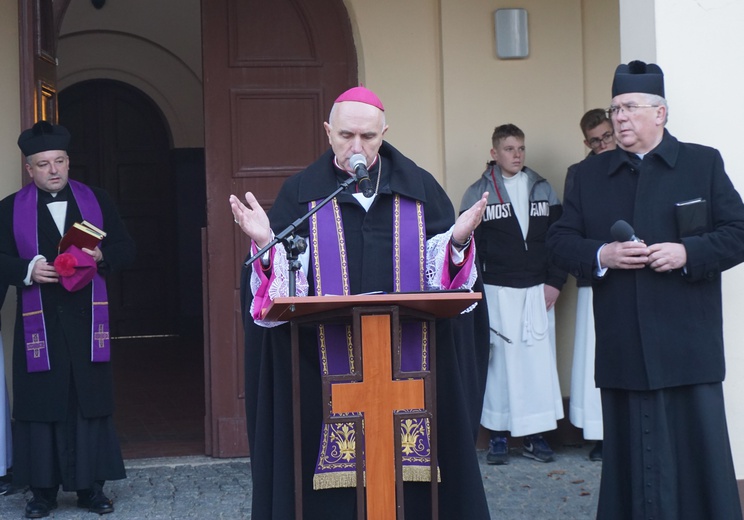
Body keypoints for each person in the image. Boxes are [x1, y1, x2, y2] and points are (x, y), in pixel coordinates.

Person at [230, 86, 492, 519]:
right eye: (346, 135)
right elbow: (278, 292)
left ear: (384, 133)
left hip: (413, 374)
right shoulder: (302, 194)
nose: (357, 147)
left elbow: (450, 286)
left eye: (368, 137)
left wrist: (458, 243)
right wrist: (266, 245)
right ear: (328, 132)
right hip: (323, 374)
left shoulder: (421, 190)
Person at [547, 61, 744, 520]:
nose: (619, 117)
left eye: (630, 107)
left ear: (661, 113)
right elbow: (558, 241)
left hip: (688, 346)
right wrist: (603, 255)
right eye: (615, 108)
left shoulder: (702, 162)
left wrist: (688, 253)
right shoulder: (589, 176)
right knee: (630, 471)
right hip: (624, 347)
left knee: (699, 464)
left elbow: (738, 233)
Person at [0, 121, 135, 518]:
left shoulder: (96, 200)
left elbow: (127, 247)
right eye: (43, 164)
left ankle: (91, 490)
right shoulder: (9, 209)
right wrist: (26, 270)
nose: (53, 170)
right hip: (37, 325)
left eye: (59, 161)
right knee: (43, 403)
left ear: (68, 161)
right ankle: (41, 493)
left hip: (86, 323)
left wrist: (101, 257)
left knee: (86, 402)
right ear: (30, 169)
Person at [459, 124, 566, 465]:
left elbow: (558, 240)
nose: (516, 155)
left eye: (520, 148)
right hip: (497, 290)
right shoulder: (477, 193)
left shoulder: (542, 188)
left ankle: (536, 437)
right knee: (500, 366)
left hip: (537, 288)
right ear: (494, 153)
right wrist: (479, 293)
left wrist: (556, 281)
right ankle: (499, 437)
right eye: (509, 148)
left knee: (537, 365)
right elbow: (467, 249)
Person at [564, 109, 617, 462]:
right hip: (594, 277)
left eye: (606, 136)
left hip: (635, 274)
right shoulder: (579, 174)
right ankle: (599, 434)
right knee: (593, 359)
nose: (603, 144)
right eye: (595, 140)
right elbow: (570, 231)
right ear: (586, 142)